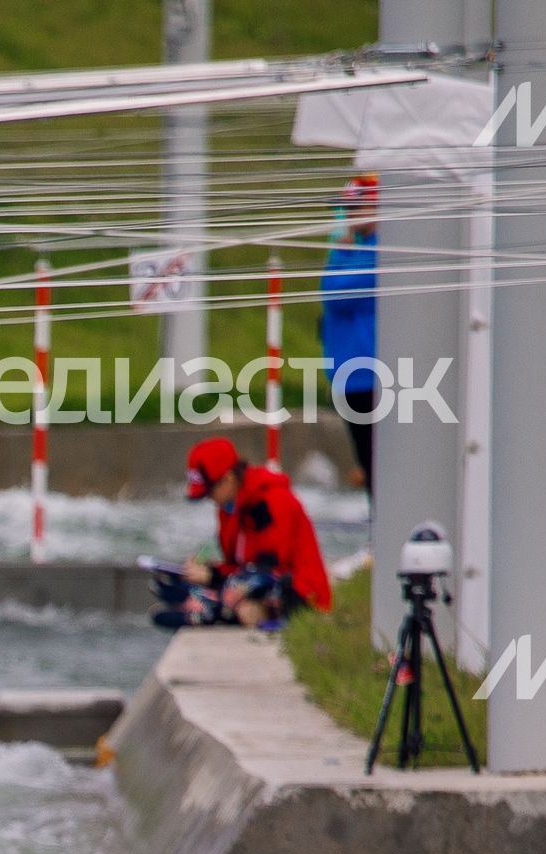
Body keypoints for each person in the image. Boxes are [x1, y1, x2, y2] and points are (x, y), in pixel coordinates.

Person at [155, 436, 330, 631]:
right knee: (181, 585)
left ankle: (213, 610)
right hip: (259, 585)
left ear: (228, 478)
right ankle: (210, 605)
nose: (211, 500)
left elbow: (268, 569)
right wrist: (205, 570)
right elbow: (237, 565)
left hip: (299, 594)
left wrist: (212, 577)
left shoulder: (272, 501)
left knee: (246, 606)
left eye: (210, 492)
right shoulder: (229, 508)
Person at [319, 174, 381, 488]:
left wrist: (339, 253)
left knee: (378, 466)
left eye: (355, 207)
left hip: (369, 376)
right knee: (368, 463)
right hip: (349, 375)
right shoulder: (357, 251)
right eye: (345, 208)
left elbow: (335, 293)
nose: (347, 215)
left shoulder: (380, 251)